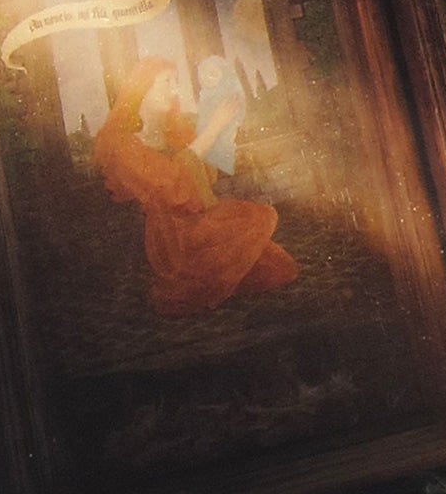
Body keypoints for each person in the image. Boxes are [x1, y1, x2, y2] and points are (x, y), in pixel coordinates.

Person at [93, 57, 298, 316]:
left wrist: (210, 140)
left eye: (176, 82)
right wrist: (212, 130)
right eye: (166, 82)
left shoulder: (173, 132)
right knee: (254, 224)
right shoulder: (122, 144)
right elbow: (172, 188)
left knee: (278, 267)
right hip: (167, 235)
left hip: (195, 217)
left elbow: (205, 177)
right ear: (142, 88)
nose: (174, 90)